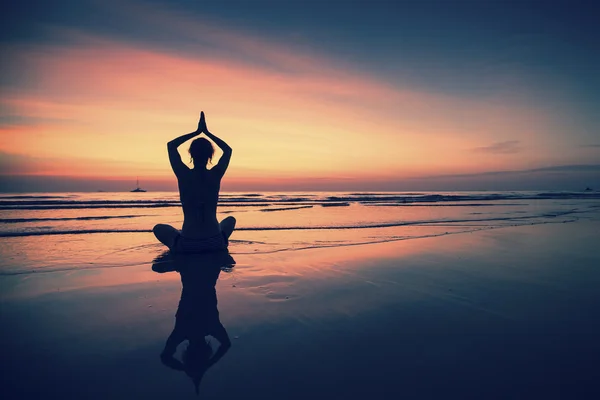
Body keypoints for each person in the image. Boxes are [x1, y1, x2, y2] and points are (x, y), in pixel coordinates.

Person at [153, 111, 235, 253]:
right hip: (215, 242)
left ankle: (178, 242)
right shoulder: (215, 174)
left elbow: (171, 145)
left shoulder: (183, 174)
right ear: (210, 156)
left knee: (158, 228)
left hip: (187, 243)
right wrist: (207, 133)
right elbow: (228, 150)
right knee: (230, 220)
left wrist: (197, 132)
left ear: (190, 154)